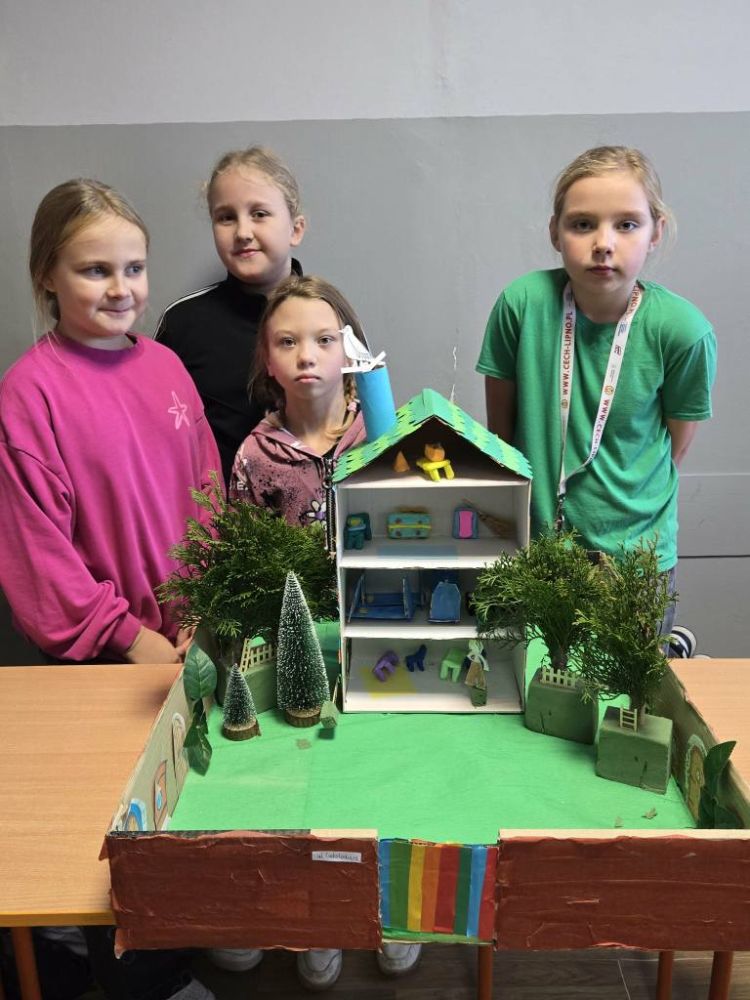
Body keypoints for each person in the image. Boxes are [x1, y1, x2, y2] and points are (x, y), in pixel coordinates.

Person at [0, 178, 221, 1000]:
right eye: (95, 270)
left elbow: (206, 494)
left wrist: (199, 607)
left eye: (133, 268)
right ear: (47, 277)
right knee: (114, 833)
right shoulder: (30, 392)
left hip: (180, 639)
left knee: (174, 811)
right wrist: (130, 638)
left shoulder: (165, 366)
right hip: (101, 657)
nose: (121, 288)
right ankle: (138, 981)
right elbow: (39, 557)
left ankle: (160, 956)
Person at [225, 275, 421, 990]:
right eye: (287, 341)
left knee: (387, 778)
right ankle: (322, 921)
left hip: (384, 636)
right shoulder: (256, 456)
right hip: (301, 650)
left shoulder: (386, 431)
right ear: (267, 359)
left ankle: (394, 912)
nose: (307, 354)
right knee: (315, 787)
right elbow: (243, 563)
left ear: (350, 350)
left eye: (324, 339)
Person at [476, 146, 716, 634]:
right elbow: (501, 435)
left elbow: (674, 447)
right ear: (555, 232)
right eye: (582, 224)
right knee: (535, 674)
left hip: (635, 559)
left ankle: (668, 645)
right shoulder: (521, 305)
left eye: (626, 224)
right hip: (537, 547)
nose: (603, 243)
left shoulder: (684, 331)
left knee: (627, 677)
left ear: (656, 232)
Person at [155, 146, 306, 485]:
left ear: (295, 229)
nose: (242, 232)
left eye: (259, 214)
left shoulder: (332, 318)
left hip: (317, 511)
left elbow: (361, 427)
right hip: (212, 513)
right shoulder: (182, 324)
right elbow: (156, 434)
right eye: (226, 217)